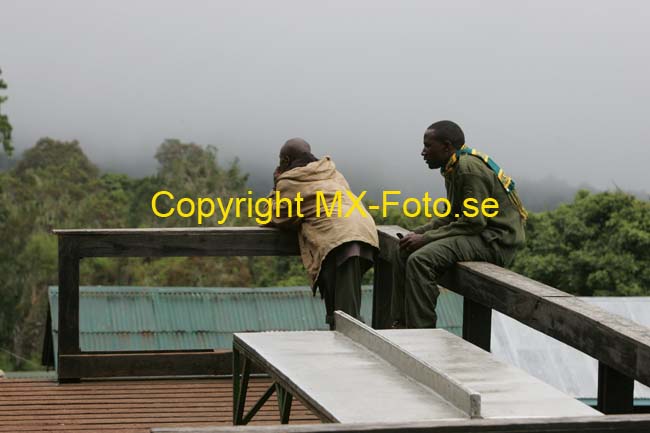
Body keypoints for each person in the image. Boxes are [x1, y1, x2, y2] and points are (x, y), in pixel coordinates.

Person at [392, 121, 527, 328]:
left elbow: (473, 222)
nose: (423, 152)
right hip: (478, 233)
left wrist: (425, 239)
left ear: (446, 146)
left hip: (494, 240)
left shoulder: (467, 169)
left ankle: (421, 331)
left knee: (421, 260)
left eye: (428, 146)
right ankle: (400, 323)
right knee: (403, 251)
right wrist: (417, 233)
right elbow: (450, 216)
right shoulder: (453, 166)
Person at [263, 138, 379, 329]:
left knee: (346, 317)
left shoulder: (291, 181)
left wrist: (275, 187)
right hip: (364, 233)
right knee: (342, 305)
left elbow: (277, 217)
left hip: (341, 241)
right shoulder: (331, 171)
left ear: (286, 159)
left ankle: (350, 354)